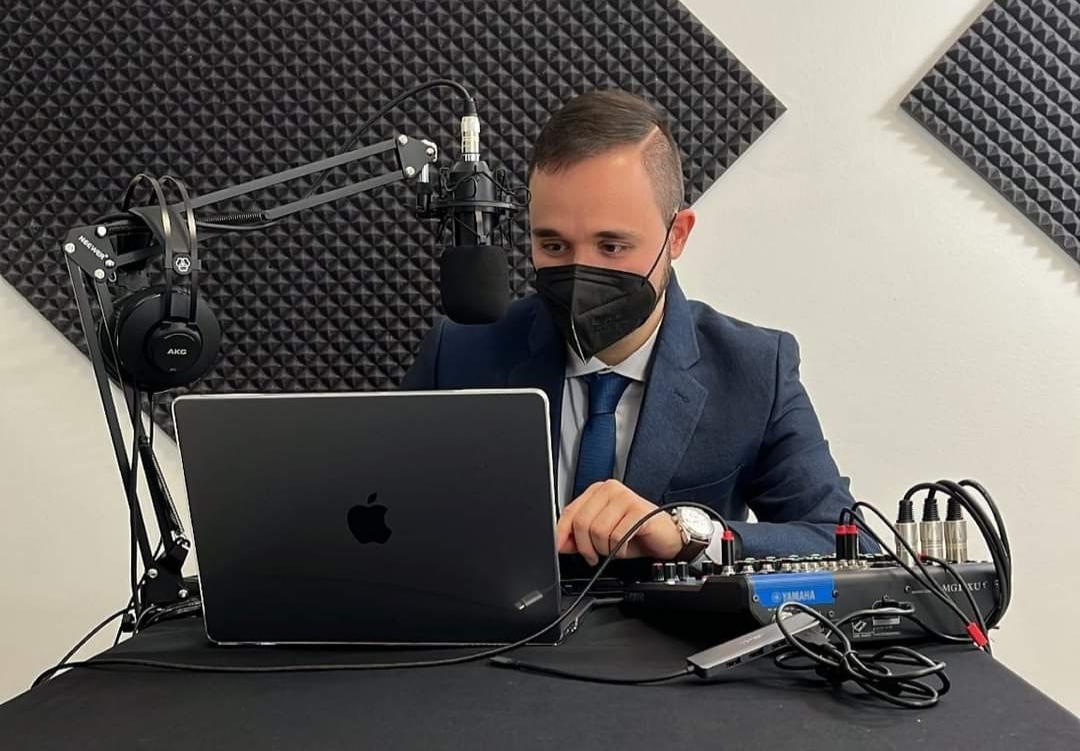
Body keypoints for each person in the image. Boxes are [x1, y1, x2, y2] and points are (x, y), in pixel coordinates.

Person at [403, 88, 861, 568]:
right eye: (554, 246)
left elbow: (846, 540)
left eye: (612, 247)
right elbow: (386, 520)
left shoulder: (754, 369)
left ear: (677, 235)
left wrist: (689, 533)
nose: (581, 270)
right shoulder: (458, 355)